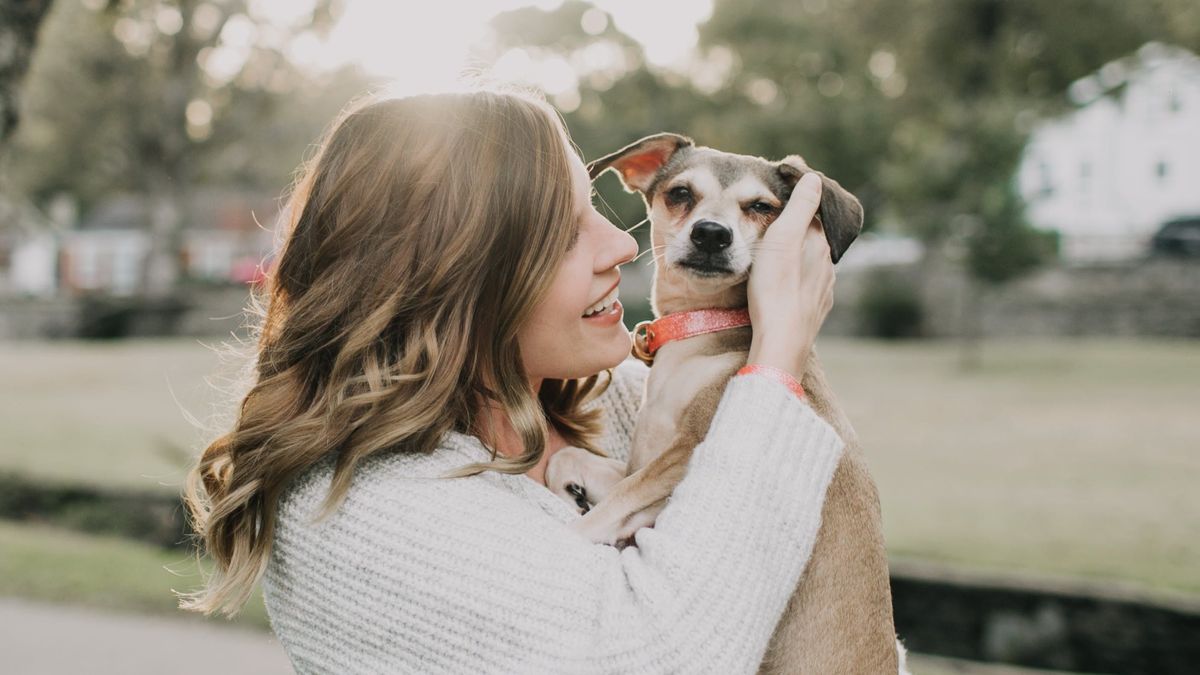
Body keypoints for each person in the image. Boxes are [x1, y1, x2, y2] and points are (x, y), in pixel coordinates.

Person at [178, 84, 842, 674]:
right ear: (455, 276)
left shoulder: (617, 405)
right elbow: (655, 657)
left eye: (598, 208)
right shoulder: (360, 510)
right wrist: (778, 361)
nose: (622, 244)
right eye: (565, 231)